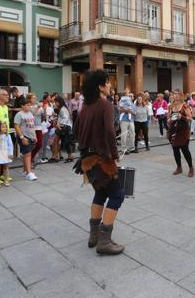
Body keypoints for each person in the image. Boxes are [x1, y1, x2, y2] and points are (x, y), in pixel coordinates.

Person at [74, 70, 125, 255]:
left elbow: (76, 131)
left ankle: (94, 235)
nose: (110, 85)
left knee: (101, 193)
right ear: (100, 86)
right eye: (108, 82)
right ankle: (104, 241)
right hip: (102, 158)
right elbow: (111, 132)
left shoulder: (85, 106)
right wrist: (114, 154)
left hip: (87, 159)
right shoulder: (105, 105)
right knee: (118, 195)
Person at [167, 89, 194, 176]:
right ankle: (179, 167)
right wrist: (169, 119)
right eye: (175, 94)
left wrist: (181, 116)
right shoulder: (170, 106)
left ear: (181, 96)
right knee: (175, 149)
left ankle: (191, 168)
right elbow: (168, 118)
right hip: (174, 130)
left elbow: (190, 118)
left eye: (178, 94)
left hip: (183, 130)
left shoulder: (185, 106)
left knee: (185, 149)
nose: (176, 95)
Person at [14, 99, 38, 180]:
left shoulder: (30, 114)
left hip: (31, 137)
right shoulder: (19, 114)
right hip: (24, 136)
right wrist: (22, 137)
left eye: (29, 105)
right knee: (28, 154)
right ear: (22, 106)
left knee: (26, 154)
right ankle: (29, 173)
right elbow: (16, 127)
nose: (29, 106)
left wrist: (35, 136)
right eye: (27, 105)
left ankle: (25, 170)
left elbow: (32, 126)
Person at [52, 95, 74, 162]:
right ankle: (57, 156)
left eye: (56, 102)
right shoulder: (61, 108)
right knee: (57, 141)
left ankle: (58, 156)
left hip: (64, 127)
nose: (55, 103)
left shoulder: (63, 109)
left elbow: (65, 118)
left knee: (62, 141)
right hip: (64, 126)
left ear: (59, 102)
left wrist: (59, 124)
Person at [27, 93, 44, 165]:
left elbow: (43, 116)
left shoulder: (39, 105)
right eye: (33, 98)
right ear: (29, 99)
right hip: (31, 127)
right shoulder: (28, 106)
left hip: (39, 126)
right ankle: (29, 160)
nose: (35, 99)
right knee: (31, 143)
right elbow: (32, 115)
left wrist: (44, 109)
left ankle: (31, 157)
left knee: (39, 144)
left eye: (35, 98)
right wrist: (38, 107)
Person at [118, 90, 136, 155]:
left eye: (131, 96)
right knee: (124, 135)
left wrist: (130, 111)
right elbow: (119, 110)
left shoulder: (133, 104)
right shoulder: (121, 102)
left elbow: (135, 113)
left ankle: (132, 148)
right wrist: (125, 110)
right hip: (124, 120)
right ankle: (124, 149)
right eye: (129, 95)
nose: (130, 97)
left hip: (131, 120)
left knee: (132, 134)